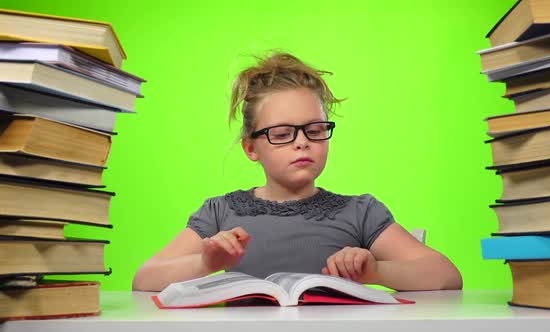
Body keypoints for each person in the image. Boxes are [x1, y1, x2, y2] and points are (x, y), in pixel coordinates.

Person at [133, 52, 463, 292]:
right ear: (251, 148)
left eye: (315, 129)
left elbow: (446, 275)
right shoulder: (221, 212)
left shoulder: (360, 212)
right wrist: (205, 264)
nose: (302, 143)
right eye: (281, 134)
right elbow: (144, 279)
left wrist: (375, 271)